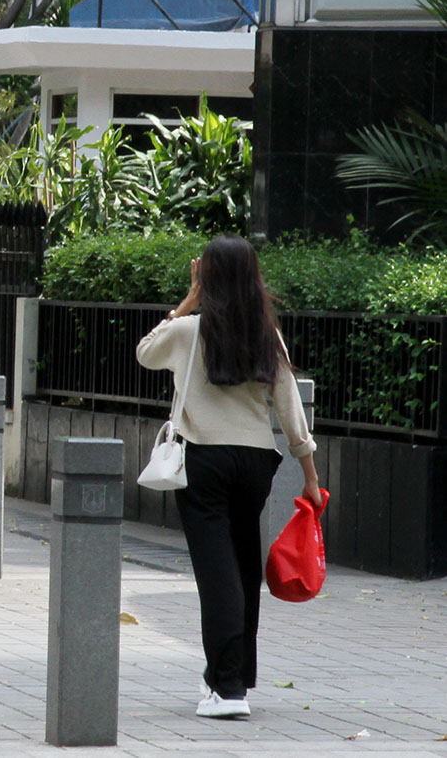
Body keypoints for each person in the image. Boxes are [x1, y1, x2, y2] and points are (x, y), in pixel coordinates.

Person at [136, 234, 320, 720]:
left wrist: (186, 302)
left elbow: (145, 352)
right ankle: (234, 677)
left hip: (204, 461)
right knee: (242, 569)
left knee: (217, 574)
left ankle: (228, 687)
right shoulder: (267, 335)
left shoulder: (188, 330)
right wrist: (309, 473)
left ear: (207, 276)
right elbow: (290, 410)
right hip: (256, 462)